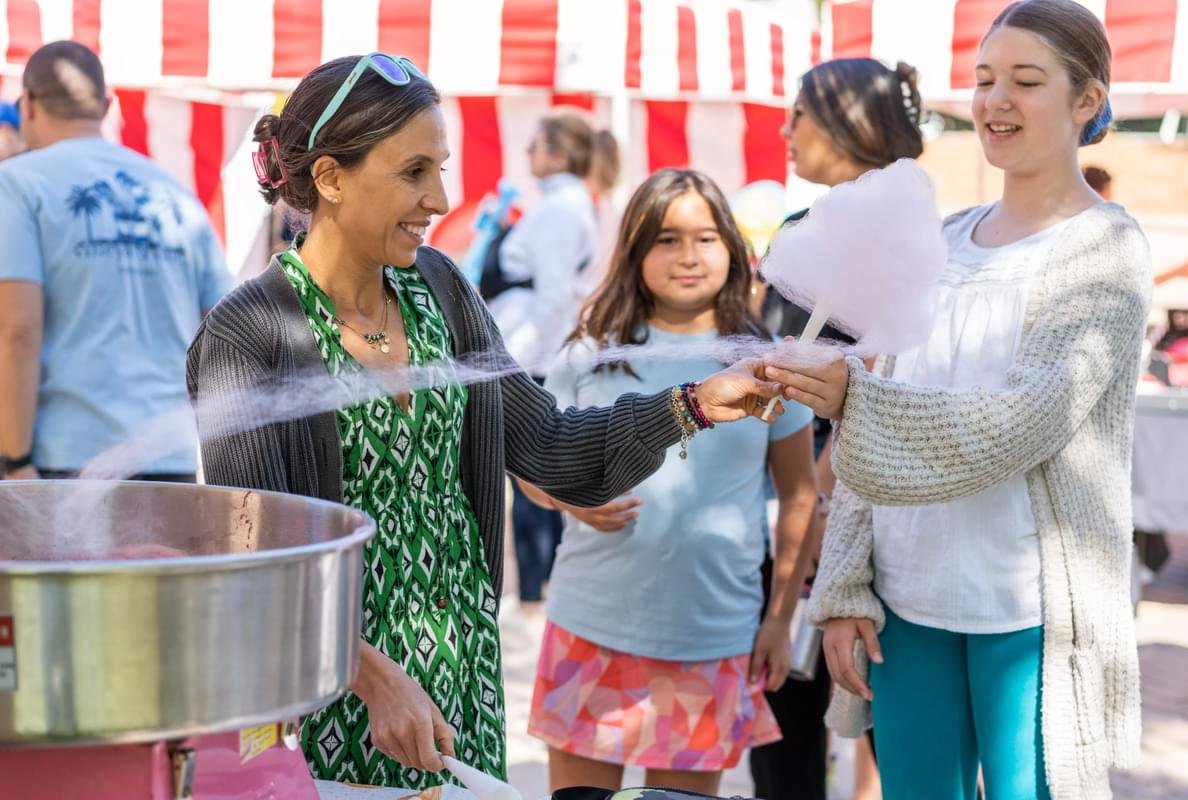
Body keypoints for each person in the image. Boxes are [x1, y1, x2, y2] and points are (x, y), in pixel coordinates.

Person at [186, 53, 786, 792]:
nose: (439, 197)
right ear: (332, 178)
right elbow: (260, 566)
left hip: (459, 688)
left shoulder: (442, 290)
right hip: (330, 709)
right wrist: (373, 680)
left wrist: (689, 406)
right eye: (414, 172)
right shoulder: (249, 334)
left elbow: (556, 452)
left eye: (440, 168)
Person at [770, 2, 1152, 797]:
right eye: (983, 81)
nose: (994, 102)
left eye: (1025, 81)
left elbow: (1028, 419)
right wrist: (843, 585)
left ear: (1088, 100)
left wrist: (855, 401)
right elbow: (875, 415)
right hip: (906, 607)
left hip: (1033, 615)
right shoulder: (940, 241)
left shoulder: (1106, 250)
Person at [520, 168, 818, 795]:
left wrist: (778, 620)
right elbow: (531, 464)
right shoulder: (590, 352)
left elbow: (799, 495)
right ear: (634, 249)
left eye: (706, 238)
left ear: (732, 249)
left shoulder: (767, 362)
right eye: (666, 239)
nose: (688, 256)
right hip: (590, 623)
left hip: (712, 635)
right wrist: (565, 493)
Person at [752, 57, 924, 800]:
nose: (786, 132)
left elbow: (897, 379)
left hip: (868, 523)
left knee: (895, 731)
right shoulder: (802, 229)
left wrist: (822, 495)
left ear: (850, 121)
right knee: (784, 724)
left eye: (801, 115)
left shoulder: (917, 235)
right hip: (790, 512)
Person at [0, 41, 229, 482]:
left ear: (27, 104)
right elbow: (223, 325)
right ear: (106, 105)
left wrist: (13, 458)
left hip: (63, 458)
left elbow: (17, 328)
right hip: (168, 457)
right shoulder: (173, 192)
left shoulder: (17, 185)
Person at [486, 109, 604, 609]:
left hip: (530, 357)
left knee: (531, 475)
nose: (529, 154)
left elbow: (555, 298)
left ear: (556, 154)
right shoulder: (561, 204)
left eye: (535, 145)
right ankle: (537, 587)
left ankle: (537, 591)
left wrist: (524, 365)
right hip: (529, 350)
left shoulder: (561, 209)